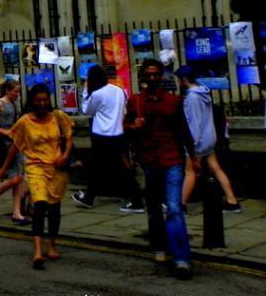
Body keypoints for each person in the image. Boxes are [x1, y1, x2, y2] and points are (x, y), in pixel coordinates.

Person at [125, 58, 200, 280]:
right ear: (142, 77)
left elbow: (183, 130)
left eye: (156, 74)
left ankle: (181, 258)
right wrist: (133, 126)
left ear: (161, 76)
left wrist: (193, 156)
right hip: (149, 160)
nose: (152, 78)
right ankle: (159, 245)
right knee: (154, 208)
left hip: (171, 159)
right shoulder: (136, 101)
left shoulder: (173, 101)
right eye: (148, 74)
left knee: (174, 207)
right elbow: (125, 127)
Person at [0, 83, 73, 270]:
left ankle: (51, 245)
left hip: (56, 169)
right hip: (35, 168)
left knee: (54, 209)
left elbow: (69, 137)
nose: (42, 104)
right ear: (32, 101)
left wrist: (65, 155)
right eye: (38, 100)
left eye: (45, 100)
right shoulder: (25, 121)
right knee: (40, 205)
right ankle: (37, 251)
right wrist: (3, 169)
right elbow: (15, 145)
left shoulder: (58, 117)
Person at [72, 65, 144, 213]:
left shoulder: (97, 94)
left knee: (98, 167)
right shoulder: (118, 90)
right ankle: (90, 197)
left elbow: (86, 110)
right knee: (120, 167)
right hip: (118, 133)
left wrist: (85, 90)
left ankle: (136, 200)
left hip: (102, 135)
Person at [175, 65, 240, 212]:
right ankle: (232, 201)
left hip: (199, 141)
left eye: (179, 79)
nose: (178, 83)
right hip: (210, 138)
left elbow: (194, 123)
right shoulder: (203, 92)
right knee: (215, 168)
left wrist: (192, 146)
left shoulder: (192, 98)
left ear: (184, 79)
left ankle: (181, 204)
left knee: (190, 171)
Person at [0, 79, 28, 223]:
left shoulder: (14, 104)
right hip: (5, 143)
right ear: (7, 91)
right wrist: (6, 132)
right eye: (15, 91)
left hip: (17, 142)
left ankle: (16, 212)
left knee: (19, 178)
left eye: (18, 92)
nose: (17, 94)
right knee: (15, 178)